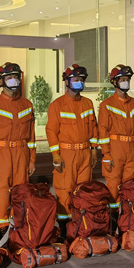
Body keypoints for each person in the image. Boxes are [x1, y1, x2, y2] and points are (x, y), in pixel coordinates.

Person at [0, 62, 36, 239]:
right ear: (0, 81)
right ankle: (3, 238)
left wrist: (32, 160)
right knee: (1, 198)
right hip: (1, 156)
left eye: (16, 77)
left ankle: (19, 237)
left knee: (22, 197)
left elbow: (31, 137)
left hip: (22, 155)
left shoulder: (27, 104)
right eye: (9, 77)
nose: (14, 80)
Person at [46, 64, 98, 228]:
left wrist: (94, 150)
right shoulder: (57, 105)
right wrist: (56, 155)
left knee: (84, 191)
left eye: (81, 79)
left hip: (85, 154)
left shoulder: (88, 103)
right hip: (66, 155)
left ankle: (81, 227)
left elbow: (94, 128)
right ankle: (64, 229)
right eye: (75, 79)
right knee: (65, 191)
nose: (79, 82)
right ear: (67, 81)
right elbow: (51, 131)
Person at [98, 65, 134, 203]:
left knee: (130, 185)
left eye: (127, 79)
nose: (126, 82)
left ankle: (127, 214)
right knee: (113, 185)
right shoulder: (107, 104)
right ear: (114, 82)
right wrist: (106, 154)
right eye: (122, 79)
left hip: (131, 149)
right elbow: (103, 131)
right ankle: (113, 214)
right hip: (115, 149)